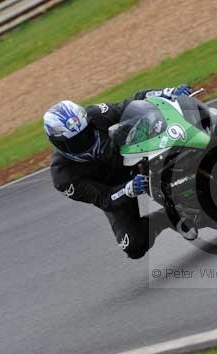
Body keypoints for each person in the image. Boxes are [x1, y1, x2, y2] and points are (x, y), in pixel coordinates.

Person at [43, 85, 192, 259]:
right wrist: (127, 189)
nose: (85, 141)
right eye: (76, 142)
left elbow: (130, 104)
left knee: (141, 122)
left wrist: (166, 93)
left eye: (87, 133)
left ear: (88, 122)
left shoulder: (96, 114)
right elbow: (103, 199)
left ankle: (193, 155)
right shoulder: (63, 177)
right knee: (133, 245)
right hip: (115, 189)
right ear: (59, 144)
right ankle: (168, 217)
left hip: (133, 157)